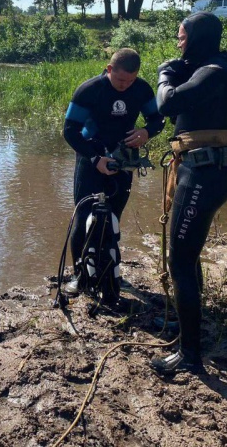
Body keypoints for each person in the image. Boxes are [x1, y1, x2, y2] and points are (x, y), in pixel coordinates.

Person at [150, 11, 227, 375]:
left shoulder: (215, 72)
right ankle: (185, 325)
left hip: (202, 176)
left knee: (181, 261)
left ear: (198, 38)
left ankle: (190, 356)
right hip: (198, 170)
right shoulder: (209, 67)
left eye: (182, 37)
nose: (178, 43)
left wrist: (165, 75)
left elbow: (167, 103)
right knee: (188, 255)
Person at [62, 48, 165, 297]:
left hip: (123, 161)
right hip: (91, 159)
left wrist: (146, 132)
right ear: (109, 70)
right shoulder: (89, 90)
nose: (125, 85)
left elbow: (158, 119)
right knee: (84, 217)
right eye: (120, 80)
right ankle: (80, 276)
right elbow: (70, 130)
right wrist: (95, 158)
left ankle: (108, 269)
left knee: (113, 218)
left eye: (130, 80)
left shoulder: (141, 89)